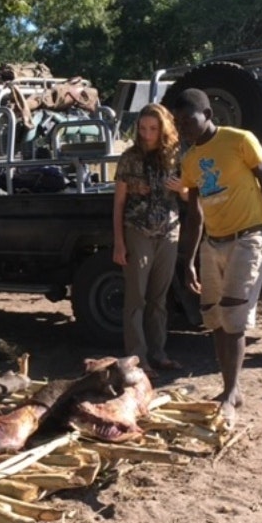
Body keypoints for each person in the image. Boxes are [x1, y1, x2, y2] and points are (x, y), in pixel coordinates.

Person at [170, 88, 262, 424]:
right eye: (178, 123)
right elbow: (195, 214)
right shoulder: (189, 160)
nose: (183, 128)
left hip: (248, 237)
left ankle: (233, 390)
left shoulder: (239, 140)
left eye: (188, 120)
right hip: (212, 243)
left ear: (208, 115)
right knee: (215, 318)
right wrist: (188, 258)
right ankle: (227, 387)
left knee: (234, 315)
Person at [113, 103, 186, 373]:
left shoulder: (176, 155)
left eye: (153, 129)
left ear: (163, 128)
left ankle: (159, 352)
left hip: (169, 232)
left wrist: (184, 188)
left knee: (159, 298)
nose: (147, 134)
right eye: (143, 128)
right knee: (136, 299)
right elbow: (119, 203)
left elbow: (192, 195)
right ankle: (138, 358)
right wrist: (119, 242)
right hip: (138, 231)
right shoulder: (130, 158)